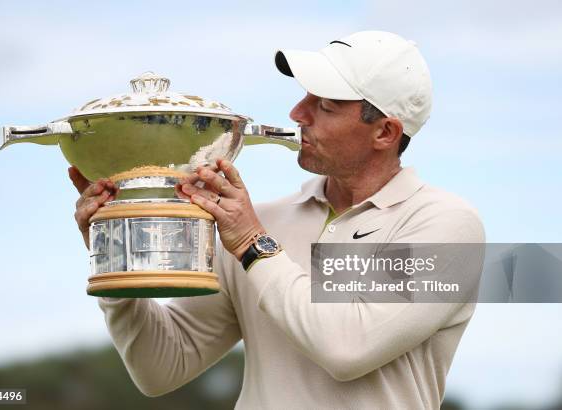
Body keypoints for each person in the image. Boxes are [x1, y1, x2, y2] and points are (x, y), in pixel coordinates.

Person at [69, 31, 485, 409]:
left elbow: (347, 348)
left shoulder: (449, 226)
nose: (297, 113)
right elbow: (161, 370)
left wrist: (252, 243)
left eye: (324, 105)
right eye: (305, 97)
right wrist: (114, 252)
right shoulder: (261, 224)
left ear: (385, 133)